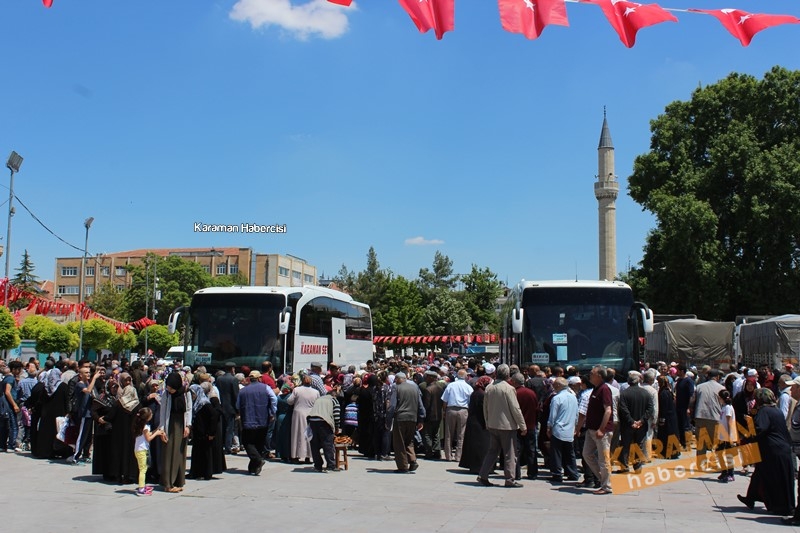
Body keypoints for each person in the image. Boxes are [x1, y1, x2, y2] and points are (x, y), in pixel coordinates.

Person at [737, 388, 795, 517]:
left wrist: (747, 436)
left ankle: (781, 507)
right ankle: (751, 498)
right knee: (761, 474)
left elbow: (759, 429)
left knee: (774, 478)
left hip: (772, 450)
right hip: (781, 448)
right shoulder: (776, 410)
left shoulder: (764, 411)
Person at [477, 364, 527, 488]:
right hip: (507, 426)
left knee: (492, 451)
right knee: (510, 454)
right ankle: (509, 479)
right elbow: (515, 409)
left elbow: (485, 408)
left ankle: (483, 475)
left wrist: (487, 421)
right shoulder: (508, 389)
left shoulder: (489, 387)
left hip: (493, 424)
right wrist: (522, 425)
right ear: (508, 375)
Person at [236, 370, 277, 475]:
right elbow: (273, 399)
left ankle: (256, 462)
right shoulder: (266, 388)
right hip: (263, 419)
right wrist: (272, 412)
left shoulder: (243, 391)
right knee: (259, 442)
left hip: (248, 420)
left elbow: (237, 405)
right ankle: (256, 464)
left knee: (247, 442)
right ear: (259, 378)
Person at [159, 371, 192, 493]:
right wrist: (162, 429)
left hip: (181, 424)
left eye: (171, 387)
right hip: (170, 424)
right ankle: (168, 483)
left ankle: (178, 480)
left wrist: (188, 425)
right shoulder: (166, 395)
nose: (169, 389)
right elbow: (163, 412)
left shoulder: (185, 393)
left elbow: (188, 409)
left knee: (180, 452)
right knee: (169, 452)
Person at [583, 365, 615, 495]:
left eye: (592, 373)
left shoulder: (604, 389)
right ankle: (603, 479)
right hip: (591, 429)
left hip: (602, 431)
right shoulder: (595, 389)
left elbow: (608, 410)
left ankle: (606, 486)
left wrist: (602, 429)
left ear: (599, 376)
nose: (590, 375)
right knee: (586, 454)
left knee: (603, 459)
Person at [387, 372, 426, 473]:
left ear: (399, 379)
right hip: (412, 418)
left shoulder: (396, 388)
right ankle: (412, 460)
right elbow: (420, 405)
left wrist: (388, 420)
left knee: (399, 442)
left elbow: (392, 406)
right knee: (409, 441)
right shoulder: (415, 388)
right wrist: (421, 418)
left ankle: (402, 466)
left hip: (400, 417)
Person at [616, 371, 654, 473]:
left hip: (627, 425)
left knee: (625, 445)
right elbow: (650, 408)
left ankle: (624, 466)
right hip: (641, 425)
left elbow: (623, 409)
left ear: (628, 382)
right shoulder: (646, 393)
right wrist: (641, 421)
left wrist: (631, 421)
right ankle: (637, 467)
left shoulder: (624, 394)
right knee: (639, 445)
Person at [547, 377, 579, 483]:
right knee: (569, 452)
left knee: (557, 453)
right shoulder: (573, 397)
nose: (553, 387)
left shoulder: (557, 398)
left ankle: (557, 474)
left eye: (555, 385)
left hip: (558, 428)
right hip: (570, 428)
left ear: (559, 386)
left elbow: (553, 415)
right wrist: (575, 426)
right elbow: (576, 414)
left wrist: (549, 427)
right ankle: (573, 473)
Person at [691, 369, 725, 469]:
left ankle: (701, 464)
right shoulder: (721, 388)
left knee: (701, 442)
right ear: (717, 377)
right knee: (715, 442)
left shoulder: (699, 387)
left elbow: (692, 401)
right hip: (715, 417)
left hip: (700, 416)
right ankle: (715, 463)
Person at [459, 376, 492, 474]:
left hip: (474, 421)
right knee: (481, 446)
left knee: (474, 445)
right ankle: (480, 466)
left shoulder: (476, 392)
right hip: (480, 423)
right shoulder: (482, 394)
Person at [307, 384, 342, 472]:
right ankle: (331, 465)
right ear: (334, 395)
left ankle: (318, 465)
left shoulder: (319, 399)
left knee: (315, 444)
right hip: (324, 422)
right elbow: (336, 415)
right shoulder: (334, 400)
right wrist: (337, 427)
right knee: (327, 443)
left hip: (312, 420)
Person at [188, 383, 219, 480]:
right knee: (197, 453)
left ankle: (206, 473)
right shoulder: (197, 404)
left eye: (193, 393)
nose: (192, 396)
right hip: (198, 433)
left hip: (205, 433)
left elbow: (214, 416)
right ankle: (196, 473)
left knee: (205, 454)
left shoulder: (205, 404)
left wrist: (211, 433)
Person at [441, 369, 473, 462]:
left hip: (451, 409)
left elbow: (445, 400)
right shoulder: (468, 387)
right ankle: (458, 456)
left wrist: (444, 410)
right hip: (463, 410)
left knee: (449, 433)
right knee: (461, 434)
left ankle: (448, 455)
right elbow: (470, 401)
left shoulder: (450, 385)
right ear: (466, 377)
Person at [132, 407, 165, 496]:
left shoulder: (140, 425)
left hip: (138, 449)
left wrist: (156, 430)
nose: (152, 415)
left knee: (143, 468)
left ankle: (142, 485)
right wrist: (157, 433)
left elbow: (148, 434)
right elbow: (149, 438)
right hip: (142, 450)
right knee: (143, 470)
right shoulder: (145, 427)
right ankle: (141, 489)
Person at [287, 375, 319, 464]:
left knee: (296, 435)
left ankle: (295, 456)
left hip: (298, 413)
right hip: (310, 414)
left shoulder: (297, 390)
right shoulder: (315, 392)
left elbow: (289, 401)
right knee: (308, 435)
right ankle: (308, 456)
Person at [420, 370, 444, 460]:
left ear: (431, 378)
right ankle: (437, 451)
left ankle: (429, 451)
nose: (425, 378)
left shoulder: (428, 389)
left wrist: (422, 416)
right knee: (436, 434)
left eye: (426, 376)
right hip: (438, 414)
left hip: (430, 415)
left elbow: (426, 405)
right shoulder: (440, 388)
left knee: (427, 434)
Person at [216, 361, 239, 455]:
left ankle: (220, 445)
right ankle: (228, 447)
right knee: (230, 428)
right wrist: (238, 409)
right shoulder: (233, 379)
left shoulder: (219, 379)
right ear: (232, 369)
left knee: (222, 426)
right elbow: (235, 395)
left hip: (221, 406)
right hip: (230, 407)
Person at [656, 376, 680, 460]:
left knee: (667, 435)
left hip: (667, 418)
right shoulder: (668, 391)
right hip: (672, 417)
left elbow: (663, 407)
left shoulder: (663, 393)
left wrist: (661, 419)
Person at [716, 389, 737, 483]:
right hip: (722, 435)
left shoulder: (728, 407)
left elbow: (729, 421)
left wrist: (729, 435)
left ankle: (730, 473)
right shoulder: (724, 407)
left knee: (728, 455)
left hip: (727, 435)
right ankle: (724, 471)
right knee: (719, 452)